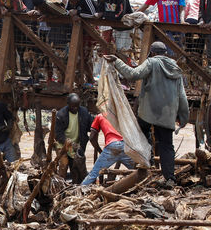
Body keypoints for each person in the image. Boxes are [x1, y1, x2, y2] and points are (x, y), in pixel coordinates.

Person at [104, 41, 189, 184]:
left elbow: (132, 74)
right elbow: (182, 96)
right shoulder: (176, 69)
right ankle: (170, 179)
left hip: (148, 112)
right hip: (167, 114)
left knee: (142, 135)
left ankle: (146, 166)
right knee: (167, 146)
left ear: (153, 53)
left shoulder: (152, 62)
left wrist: (116, 61)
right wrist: (183, 117)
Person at [81, 114, 135, 186]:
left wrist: (100, 150)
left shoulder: (100, 116)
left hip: (112, 146)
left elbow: (92, 137)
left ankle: (80, 190)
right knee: (137, 171)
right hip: (125, 145)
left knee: (93, 174)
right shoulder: (119, 113)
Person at [55, 93, 94, 184]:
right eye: (73, 107)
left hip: (77, 146)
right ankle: (61, 185)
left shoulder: (84, 112)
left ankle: (76, 185)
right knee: (64, 165)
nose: (75, 109)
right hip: (63, 145)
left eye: (77, 106)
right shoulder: (61, 115)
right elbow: (59, 134)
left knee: (77, 167)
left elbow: (91, 125)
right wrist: (69, 143)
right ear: (68, 104)